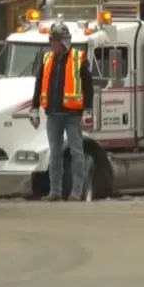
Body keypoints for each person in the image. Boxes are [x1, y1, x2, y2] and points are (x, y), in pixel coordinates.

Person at [28, 22, 94, 201]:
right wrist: (34, 108)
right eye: (51, 40)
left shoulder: (79, 59)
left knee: (76, 152)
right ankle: (55, 192)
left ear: (64, 41)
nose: (52, 44)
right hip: (53, 114)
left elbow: (88, 87)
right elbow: (38, 85)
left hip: (73, 115)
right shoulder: (47, 59)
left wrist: (88, 110)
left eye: (55, 40)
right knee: (54, 153)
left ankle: (76, 192)